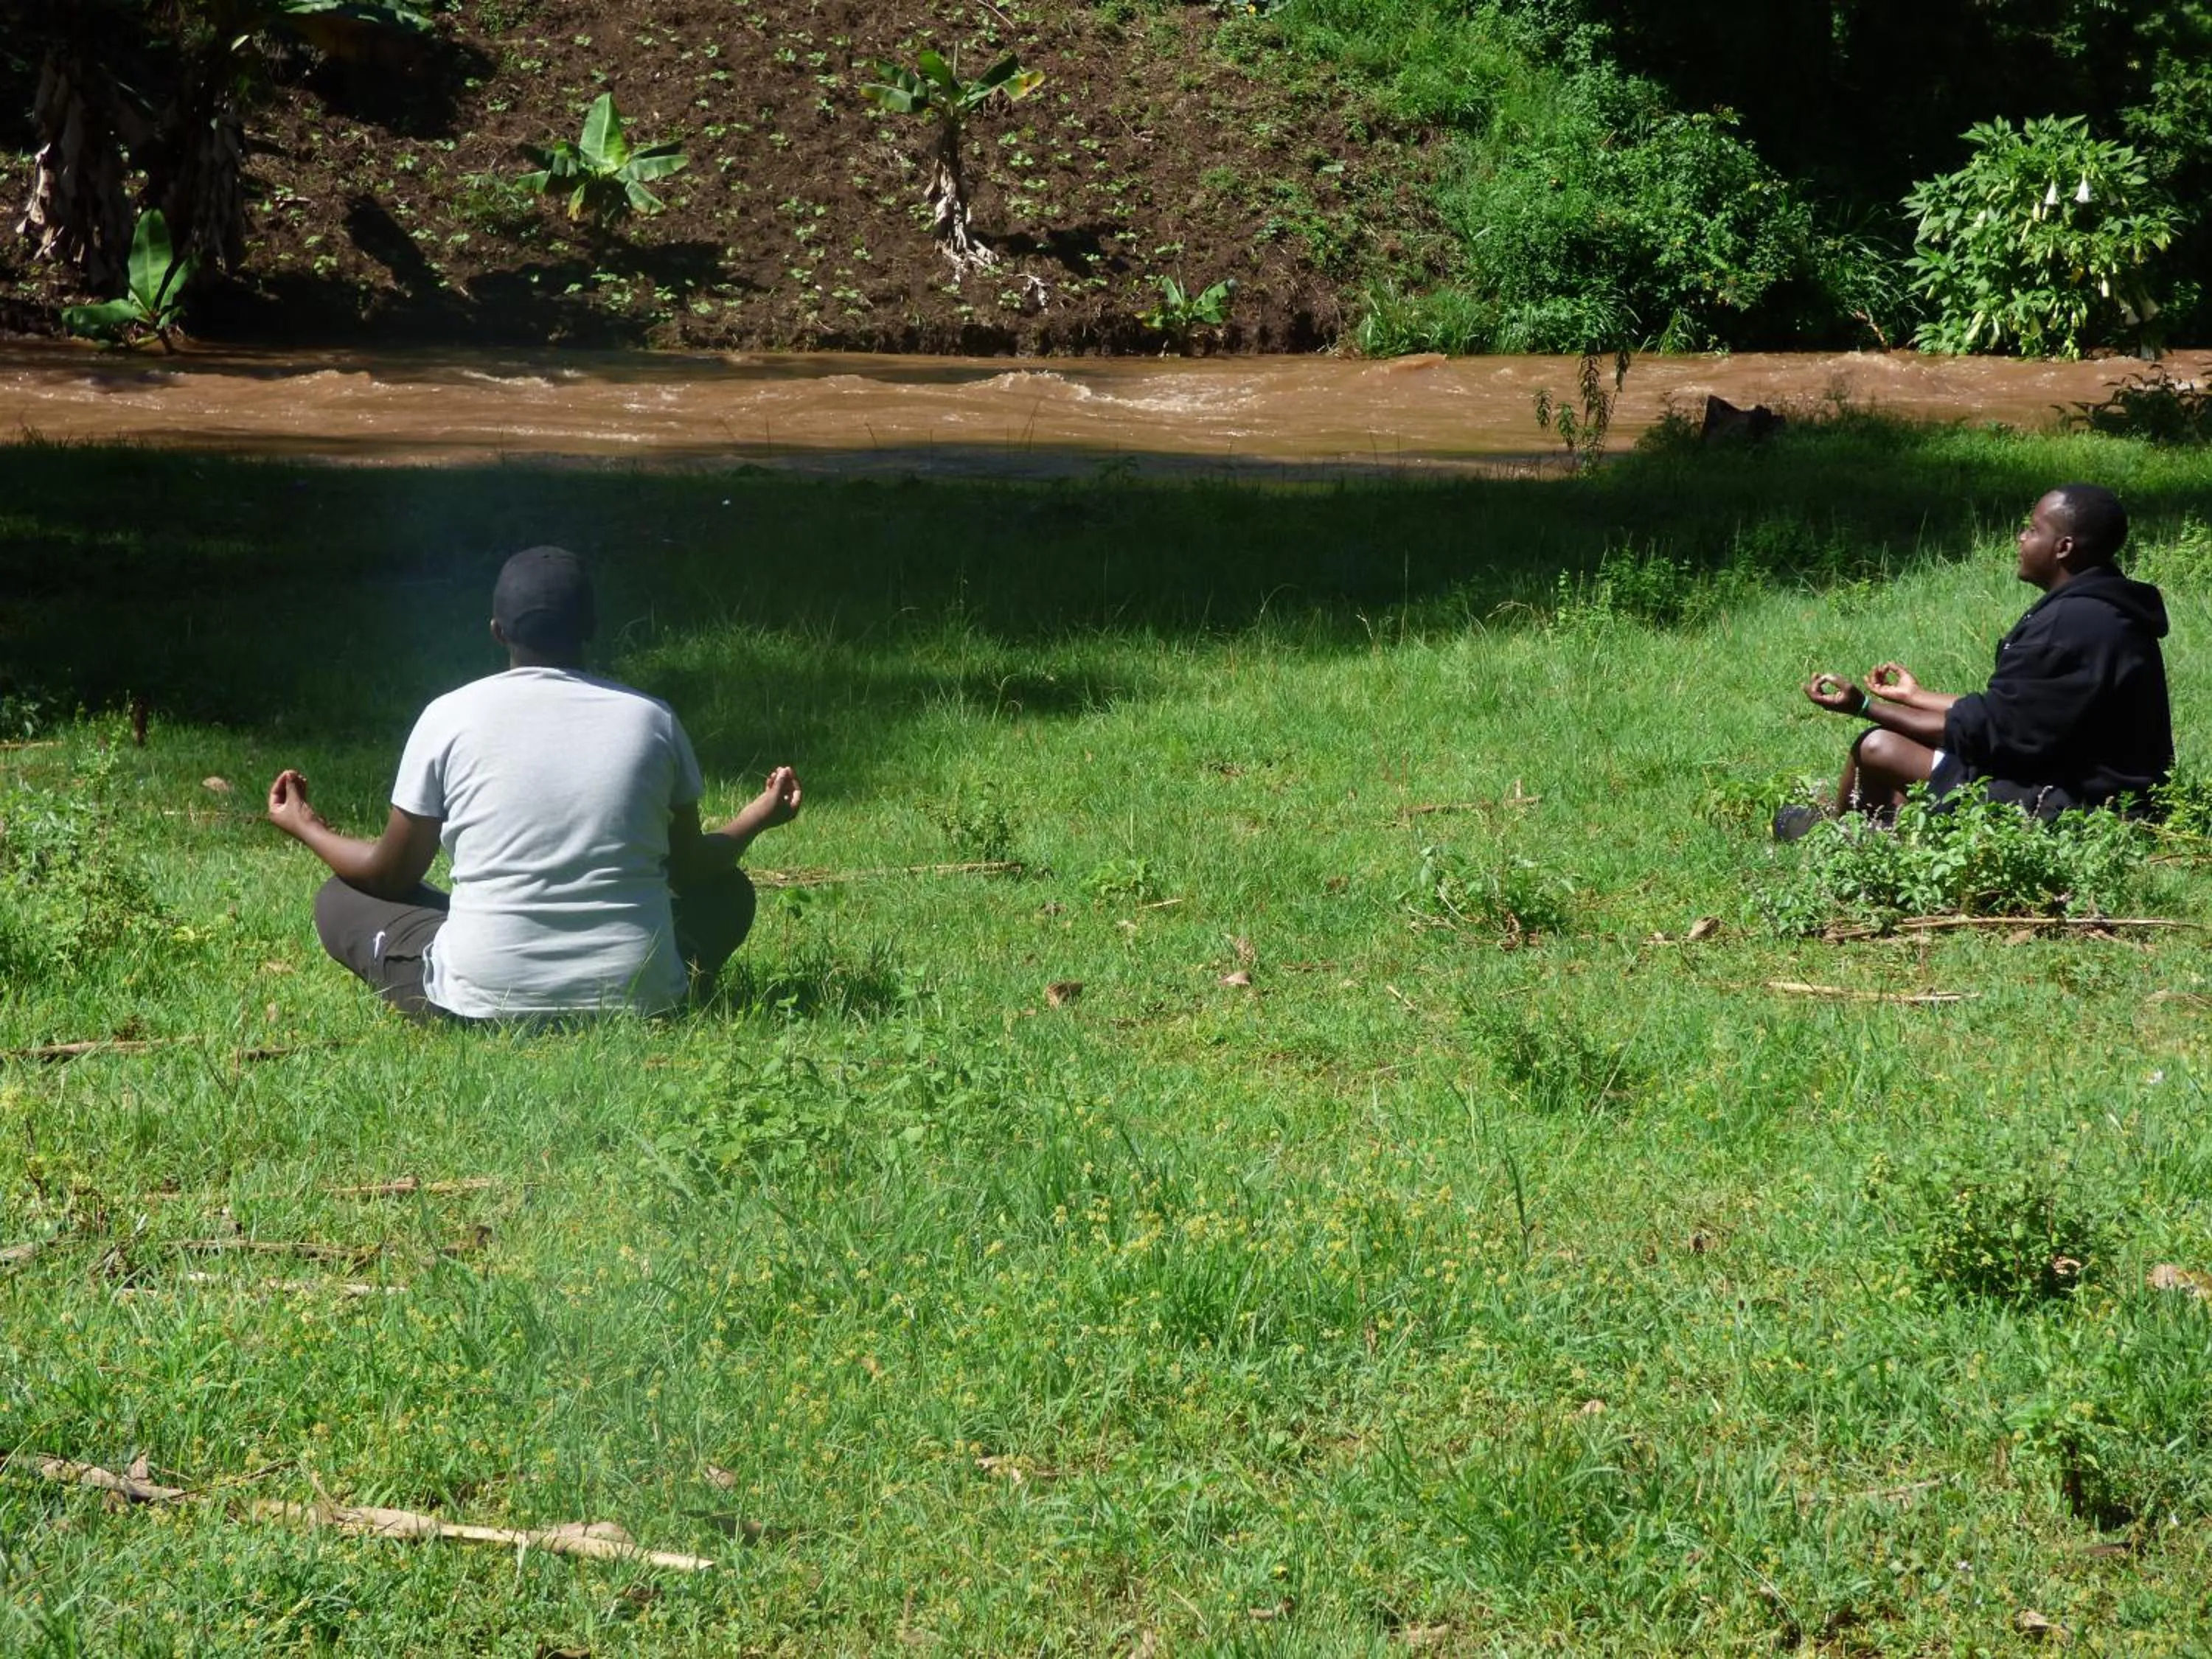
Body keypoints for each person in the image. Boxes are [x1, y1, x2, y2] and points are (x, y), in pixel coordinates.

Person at [266, 546, 803, 1020]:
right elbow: (690, 870)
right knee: (726, 891)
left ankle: (472, 969)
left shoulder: (449, 716)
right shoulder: (651, 719)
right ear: (592, 627)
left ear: (497, 631)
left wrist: (306, 825)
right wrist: (758, 816)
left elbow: (389, 876)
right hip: (641, 994)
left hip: (479, 997)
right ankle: (654, 978)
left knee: (340, 897)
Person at [1784, 483, 2172, 837]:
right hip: (2093, 784)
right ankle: (1871, 829)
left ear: (2064, 548)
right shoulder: (2103, 608)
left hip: (2080, 806)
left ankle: (1845, 841)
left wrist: (1865, 707)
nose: (2022, 537)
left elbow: (1988, 732)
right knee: (1904, 737)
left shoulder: (2065, 628)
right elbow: (2010, 713)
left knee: (1878, 746)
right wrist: (1915, 696)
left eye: (2033, 530)